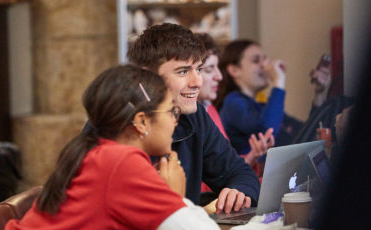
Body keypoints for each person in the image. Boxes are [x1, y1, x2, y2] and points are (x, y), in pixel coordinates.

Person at [0, 65, 225, 230]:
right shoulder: (122, 163)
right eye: (171, 112)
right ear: (141, 122)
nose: (174, 123)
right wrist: (175, 197)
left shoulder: (105, 154)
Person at [127, 23, 260, 213]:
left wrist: (238, 192)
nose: (197, 82)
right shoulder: (115, 128)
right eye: (182, 71)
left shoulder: (194, 115)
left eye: (198, 69)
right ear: (147, 76)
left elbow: (239, 172)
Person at [195, 33, 274, 176]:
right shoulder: (233, 102)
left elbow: (224, 166)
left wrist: (252, 156)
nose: (219, 76)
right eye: (209, 69)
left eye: (217, 68)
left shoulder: (209, 108)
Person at [217, 39, 302, 155]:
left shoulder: (261, 104)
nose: (264, 65)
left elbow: (302, 129)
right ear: (234, 70)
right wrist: (279, 83)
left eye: (264, 59)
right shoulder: (232, 103)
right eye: (256, 61)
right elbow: (268, 132)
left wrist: (319, 94)